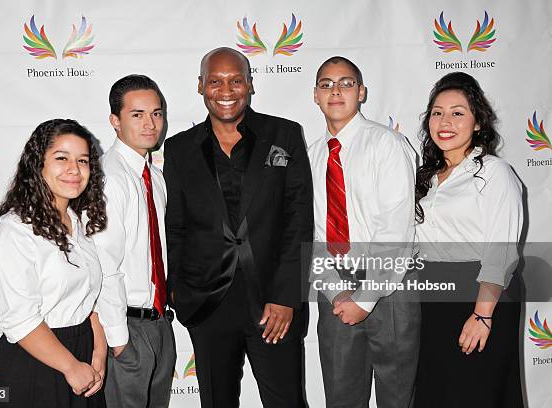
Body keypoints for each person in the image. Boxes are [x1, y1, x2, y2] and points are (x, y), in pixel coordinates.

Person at [163, 47, 313, 408]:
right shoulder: (179, 148)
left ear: (250, 84)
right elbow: (176, 227)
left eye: (235, 80)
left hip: (273, 302)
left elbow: (299, 221)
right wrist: (179, 294)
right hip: (208, 305)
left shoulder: (285, 134)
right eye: (215, 81)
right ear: (200, 86)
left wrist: (285, 297)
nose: (225, 90)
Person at [308, 56, 420, 407]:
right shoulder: (311, 155)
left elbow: (396, 227)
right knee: (341, 400)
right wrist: (336, 293)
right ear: (315, 95)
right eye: (326, 84)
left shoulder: (387, 145)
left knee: (397, 398)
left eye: (346, 83)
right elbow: (312, 234)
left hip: (390, 292)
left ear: (362, 92)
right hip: (336, 294)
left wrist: (367, 297)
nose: (336, 91)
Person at [414, 72, 523, 407]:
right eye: (437, 112)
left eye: (458, 112)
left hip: (480, 296)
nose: (445, 121)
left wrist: (482, 315)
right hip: (432, 299)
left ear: (478, 123)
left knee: (474, 393)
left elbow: (500, 252)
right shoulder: (424, 177)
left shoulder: (494, 172)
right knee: (436, 394)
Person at [0, 119, 107, 408]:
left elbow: (88, 298)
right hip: (36, 363)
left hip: (82, 353)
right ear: (37, 163)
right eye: (61, 158)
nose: (74, 169)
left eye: (83, 160)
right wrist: (70, 367)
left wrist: (98, 352)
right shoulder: (13, 231)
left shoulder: (77, 222)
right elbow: (19, 318)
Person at [93, 74, 176, 408]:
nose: (150, 124)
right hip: (126, 327)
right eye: (137, 114)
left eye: (156, 113)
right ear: (115, 121)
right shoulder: (108, 177)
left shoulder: (154, 176)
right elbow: (104, 262)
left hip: (159, 323)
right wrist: (118, 339)